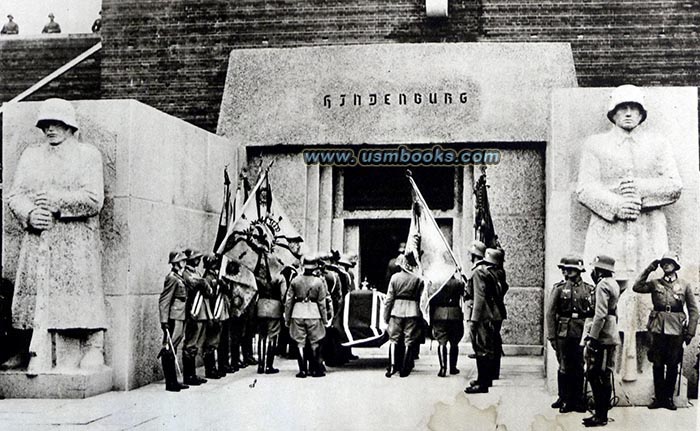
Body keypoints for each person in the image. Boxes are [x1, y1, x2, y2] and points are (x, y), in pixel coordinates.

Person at [576, 84, 682, 382]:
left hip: (647, 231)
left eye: (634, 108)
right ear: (612, 112)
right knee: (608, 296)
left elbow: (674, 185)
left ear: (642, 113)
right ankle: (609, 365)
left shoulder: (657, 145)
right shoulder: (596, 145)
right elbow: (585, 187)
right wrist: (616, 204)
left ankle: (647, 368)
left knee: (651, 293)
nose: (628, 113)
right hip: (609, 231)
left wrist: (639, 194)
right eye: (622, 108)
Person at [6, 98, 107, 373]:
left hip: (75, 239)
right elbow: (15, 195)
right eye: (45, 124)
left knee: (80, 293)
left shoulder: (87, 154)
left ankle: (92, 345)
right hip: (38, 238)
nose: (50, 129)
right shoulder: (31, 155)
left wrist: (58, 202)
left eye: (56, 123)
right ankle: (26, 345)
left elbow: (94, 199)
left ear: (69, 125)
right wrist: (29, 215)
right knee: (30, 297)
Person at [632, 252, 698, 410]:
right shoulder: (655, 283)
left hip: (676, 328)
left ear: (675, 266)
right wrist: (649, 269)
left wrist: (690, 332)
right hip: (658, 327)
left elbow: (693, 310)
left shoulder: (684, 285)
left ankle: (668, 398)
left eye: (670, 263)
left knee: (673, 364)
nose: (666, 265)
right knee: (657, 363)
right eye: (664, 263)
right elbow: (637, 287)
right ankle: (659, 398)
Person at [546, 255, 595, 413]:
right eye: (566, 269)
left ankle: (578, 399)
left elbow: (592, 313)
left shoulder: (588, 289)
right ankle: (565, 398)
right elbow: (550, 313)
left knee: (579, 366)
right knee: (564, 365)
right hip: (564, 332)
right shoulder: (559, 288)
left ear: (578, 270)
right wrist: (552, 336)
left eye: (571, 269)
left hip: (580, 332)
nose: (567, 272)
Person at [582, 255, 623, 427]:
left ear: (599, 270)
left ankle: (601, 415)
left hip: (602, 336)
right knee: (603, 374)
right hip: (610, 333)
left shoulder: (602, 285)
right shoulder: (613, 283)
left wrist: (592, 337)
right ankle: (601, 413)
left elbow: (600, 314)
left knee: (596, 373)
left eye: (595, 268)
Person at [464, 248, 502, 393]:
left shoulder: (478, 272)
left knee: (481, 349)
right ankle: (482, 379)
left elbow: (479, 297)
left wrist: (474, 319)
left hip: (482, 316)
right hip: (487, 314)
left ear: (474, 255)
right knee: (483, 348)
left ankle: (483, 384)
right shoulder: (485, 271)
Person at [284, 256, 328, 378]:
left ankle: (302, 370)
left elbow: (289, 301)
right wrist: (325, 320)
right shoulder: (319, 282)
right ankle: (315, 370)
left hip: (297, 312)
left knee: (300, 342)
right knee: (315, 341)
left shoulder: (295, 281)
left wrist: (287, 319)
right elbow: (322, 303)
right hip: (314, 313)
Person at [384, 253, 424, 378]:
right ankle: (405, 368)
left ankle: (392, 367)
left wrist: (386, 314)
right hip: (412, 310)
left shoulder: (395, 278)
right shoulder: (417, 278)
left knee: (393, 339)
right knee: (409, 339)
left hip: (397, 309)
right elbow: (421, 297)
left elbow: (389, 298)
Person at [158, 251, 190, 392]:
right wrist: (164, 320)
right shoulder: (172, 278)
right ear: (176, 263)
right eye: (182, 261)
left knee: (173, 347)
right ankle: (170, 383)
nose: (184, 263)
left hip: (181, 315)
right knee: (168, 349)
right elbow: (164, 300)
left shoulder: (179, 277)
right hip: (173, 317)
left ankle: (174, 381)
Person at [181, 249, 211, 385]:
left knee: (196, 345)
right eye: (195, 257)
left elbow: (207, 290)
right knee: (190, 344)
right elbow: (194, 284)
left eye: (199, 257)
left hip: (202, 312)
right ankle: (189, 376)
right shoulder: (186, 273)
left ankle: (192, 374)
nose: (198, 259)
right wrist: (203, 282)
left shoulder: (197, 273)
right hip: (194, 312)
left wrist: (204, 283)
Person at [254, 254, 285, 375]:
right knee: (273, 336)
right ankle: (269, 365)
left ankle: (260, 365)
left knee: (262, 336)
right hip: (275, 307)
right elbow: (283, 295)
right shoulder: (280, 277)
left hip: (261, 306)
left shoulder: (258, 277)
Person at [429, 274, 465, 377]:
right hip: (455, 314)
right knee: (454, 342)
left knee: (441, 341)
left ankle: (443, 368)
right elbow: (466, 294)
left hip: (439, 313)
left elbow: (431, 299)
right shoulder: (459, 282)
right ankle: (453, 368)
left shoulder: (437, 283)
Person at [201, 254, 226, 379]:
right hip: (211, 312)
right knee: (210, 342)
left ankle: (213, 368)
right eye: (215, 263)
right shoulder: (207, 278)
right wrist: (211, 316)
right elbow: (206, 299)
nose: (217, 264)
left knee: (215, 341)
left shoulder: (216, 277)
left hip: (216, 313)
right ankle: (209, 370)